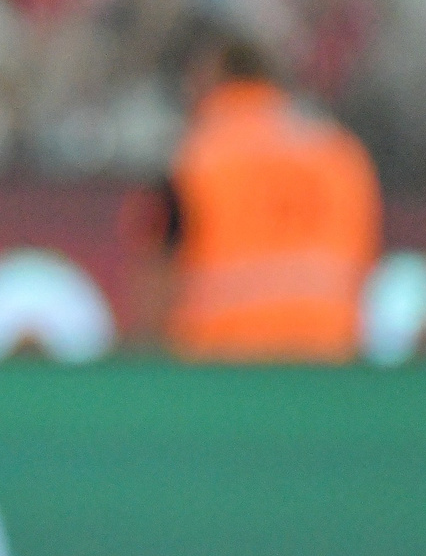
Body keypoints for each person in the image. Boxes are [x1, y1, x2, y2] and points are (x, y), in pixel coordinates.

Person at [138, 35, 381, 361]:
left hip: (224, 356)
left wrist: (152, 352)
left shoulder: (193, 158)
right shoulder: (339, 153)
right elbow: (364, 254)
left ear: (211, 78)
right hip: (327, 353)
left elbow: (161, 271)